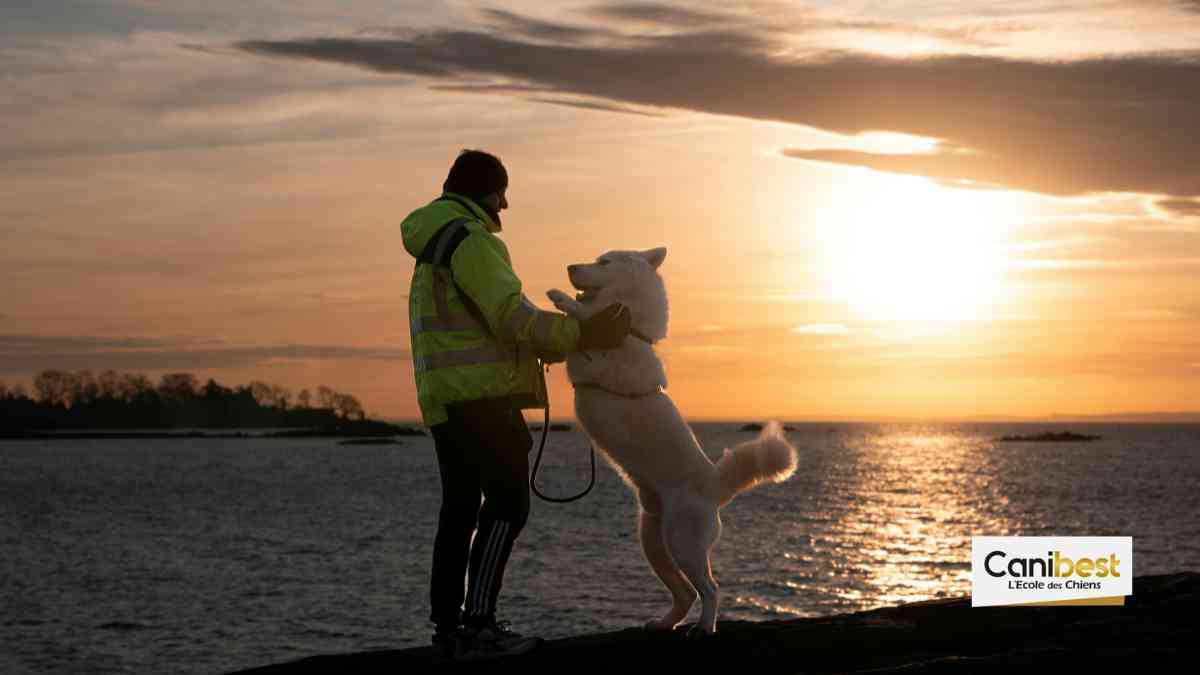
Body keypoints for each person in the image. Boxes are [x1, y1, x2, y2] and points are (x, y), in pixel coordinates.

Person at [400, 149, 631, 662]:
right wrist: (584, 331)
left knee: (459, 510)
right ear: (484, 190)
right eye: (502, 190)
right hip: (483, 399)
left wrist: (561, 339)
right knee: (508, 505)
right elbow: (511, 318)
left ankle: (450, 633)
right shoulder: (472, 242)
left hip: (444, 399)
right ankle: (479, 627)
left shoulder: (432, 249)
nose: (506, 202)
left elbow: (490, 325)